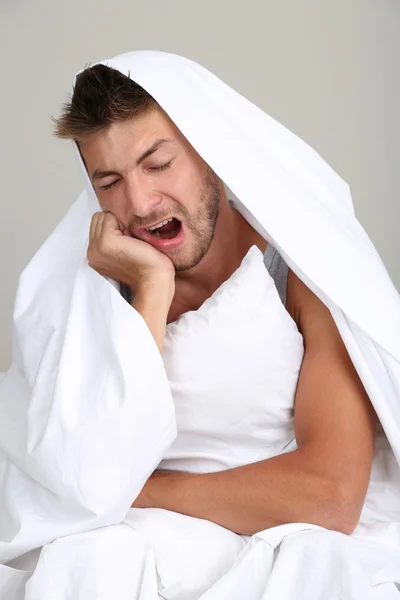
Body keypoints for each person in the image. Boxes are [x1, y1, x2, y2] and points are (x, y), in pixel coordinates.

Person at [1, 51, 400, 599]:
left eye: (158, 164)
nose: (139, 204)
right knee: (88, 563)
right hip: (140, 549)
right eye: (109, 180)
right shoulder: (89, 294)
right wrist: (151, 290)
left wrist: (139, 493)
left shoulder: (303, 271)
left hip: (290, 538)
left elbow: (329, 494)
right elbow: (74, 472)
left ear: (212, 153)